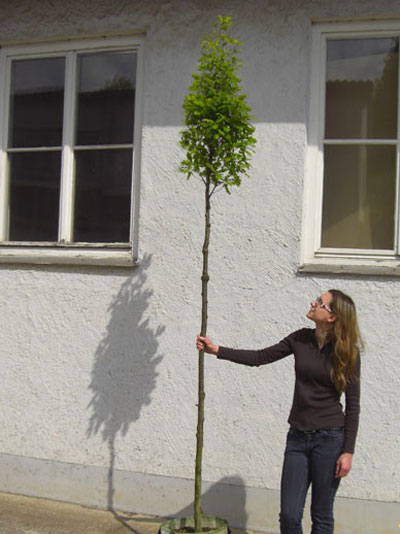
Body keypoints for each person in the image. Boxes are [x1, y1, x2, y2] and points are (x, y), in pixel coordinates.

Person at [196, 289, 363, 534]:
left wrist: (348, 451)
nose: (312, 302)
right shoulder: (300, 339)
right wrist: (218, 350)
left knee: (322, 515)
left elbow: (354, 406)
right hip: (297, 438)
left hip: (329, 440)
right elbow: (260, 357)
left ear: (332, 317)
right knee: (288, 516)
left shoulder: (348, 353)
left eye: (319, 302)